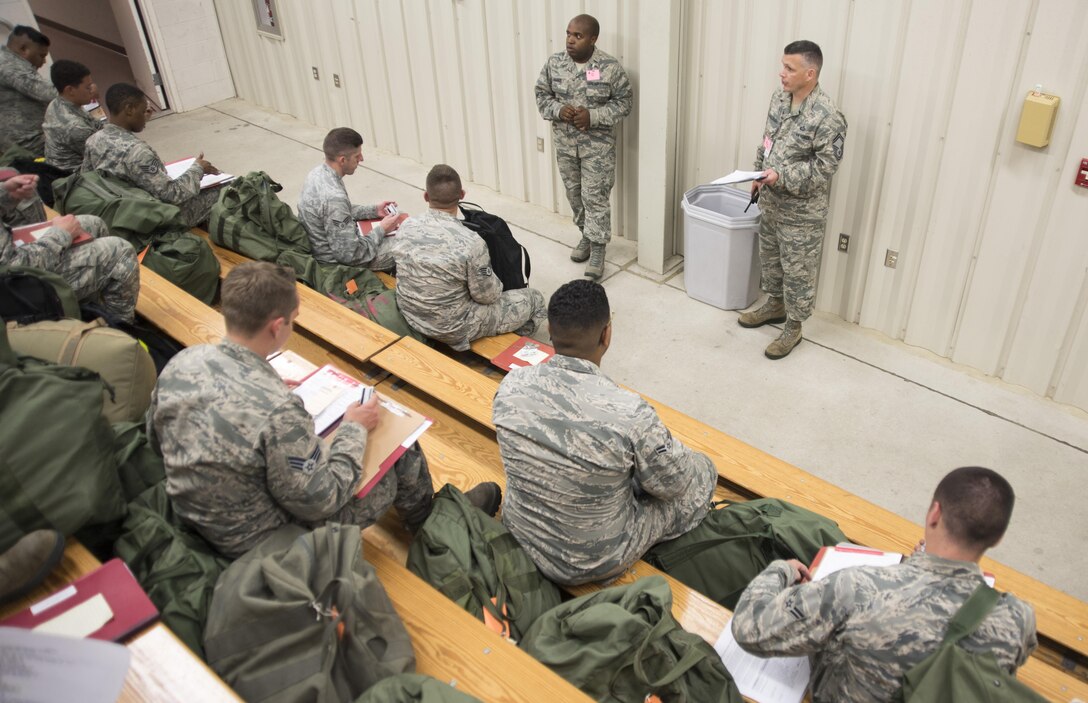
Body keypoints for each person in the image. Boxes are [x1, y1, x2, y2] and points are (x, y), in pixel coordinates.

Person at [147, 261, 501, 559]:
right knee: (398, 446)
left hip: (197, 516)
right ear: (276, 326)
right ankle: (429, 527)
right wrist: (353, 428)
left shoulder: (182, 363)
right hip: (262, 543)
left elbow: (154, 436)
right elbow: (320, 498)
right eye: (293, 319)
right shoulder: (277, 412)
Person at [731, 466, 1037, 702]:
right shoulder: (1017, 618)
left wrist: (780, 571)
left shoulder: (858, 587)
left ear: (934, 513)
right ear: (997, 538)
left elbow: (750, 629)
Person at [492, 279, 716, 586]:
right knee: (702, 471)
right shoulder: (629, 412)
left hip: (523, 532)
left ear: (551, 332)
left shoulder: (511, 386)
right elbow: (675, 485)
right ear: (606, 334)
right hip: (592, 560)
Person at [739, 40, 847, 360]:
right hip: (771, 200)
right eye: (782, 66)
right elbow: (768, 140)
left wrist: (781, 176)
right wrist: (760, 174)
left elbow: (825, 168)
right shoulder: (779, 98)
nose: (781, 73)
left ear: (810, 74)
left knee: (798, 271)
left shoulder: (828, 116)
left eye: (789, 68)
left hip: (802, 213)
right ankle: (774, 304)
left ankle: (794, 326)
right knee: (770, 259)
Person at [391, 164, 546, 351]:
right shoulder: (472, 242)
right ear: (462, 195)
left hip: (411, 314)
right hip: (453, 328)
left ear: (426, 196)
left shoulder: (407, 226)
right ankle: (505, 349)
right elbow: (488, 296)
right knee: (535, 299)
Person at [535, 14, 632, 280]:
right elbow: (542, 95)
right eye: (568, 34)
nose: (570, 40)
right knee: (574, 196)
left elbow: (624, 103)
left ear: (593, 39)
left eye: (577, 36)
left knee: (595, 198)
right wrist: (557, 109)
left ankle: (598, 249)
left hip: (597, 150)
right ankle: (586, 237)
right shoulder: (554, 64)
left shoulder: (609, 67)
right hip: (566, 146)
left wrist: (594, 116)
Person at [1, 172, 140, 322]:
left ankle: (84, 311)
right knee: (120, 252)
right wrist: (62, 234)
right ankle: (119, 329)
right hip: (12, 293)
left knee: (93, 224)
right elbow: (13, 267)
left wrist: (6, 195)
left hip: (11, 258)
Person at [82, 83, 221, 227]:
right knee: (223, 191)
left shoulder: (93, 140)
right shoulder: (137, 152)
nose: (145, 117)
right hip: (149, 220)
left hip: (116, 214)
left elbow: (85, 178)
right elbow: (173, 195)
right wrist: (198, 168)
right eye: (143, 112)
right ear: (129, 109)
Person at [297, 127, 401, 270]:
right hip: (337, 264)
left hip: (329, 245)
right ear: (342, 160)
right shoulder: (334, 198)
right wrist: (382, 229)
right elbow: (351, 255)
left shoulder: (317, 174)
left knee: (399, 223)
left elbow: (339, 212)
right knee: (409, 242)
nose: (362, 159)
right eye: (357, 156)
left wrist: (374, 210)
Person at [0, 25, 57, 155]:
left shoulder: (12, 62)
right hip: (26, 143)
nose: (43, 61)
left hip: (32, 139)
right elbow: (48, 92)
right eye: (41, 56)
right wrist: (78, 90)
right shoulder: (7, 65)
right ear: (24, 49)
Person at [43, 60, 102, 172]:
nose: (92, 90)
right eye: (88, 87)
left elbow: (97, 126)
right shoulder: (74, 127)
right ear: (70, 90)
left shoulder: (57, 103)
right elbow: (106, 153)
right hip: (76, 178)